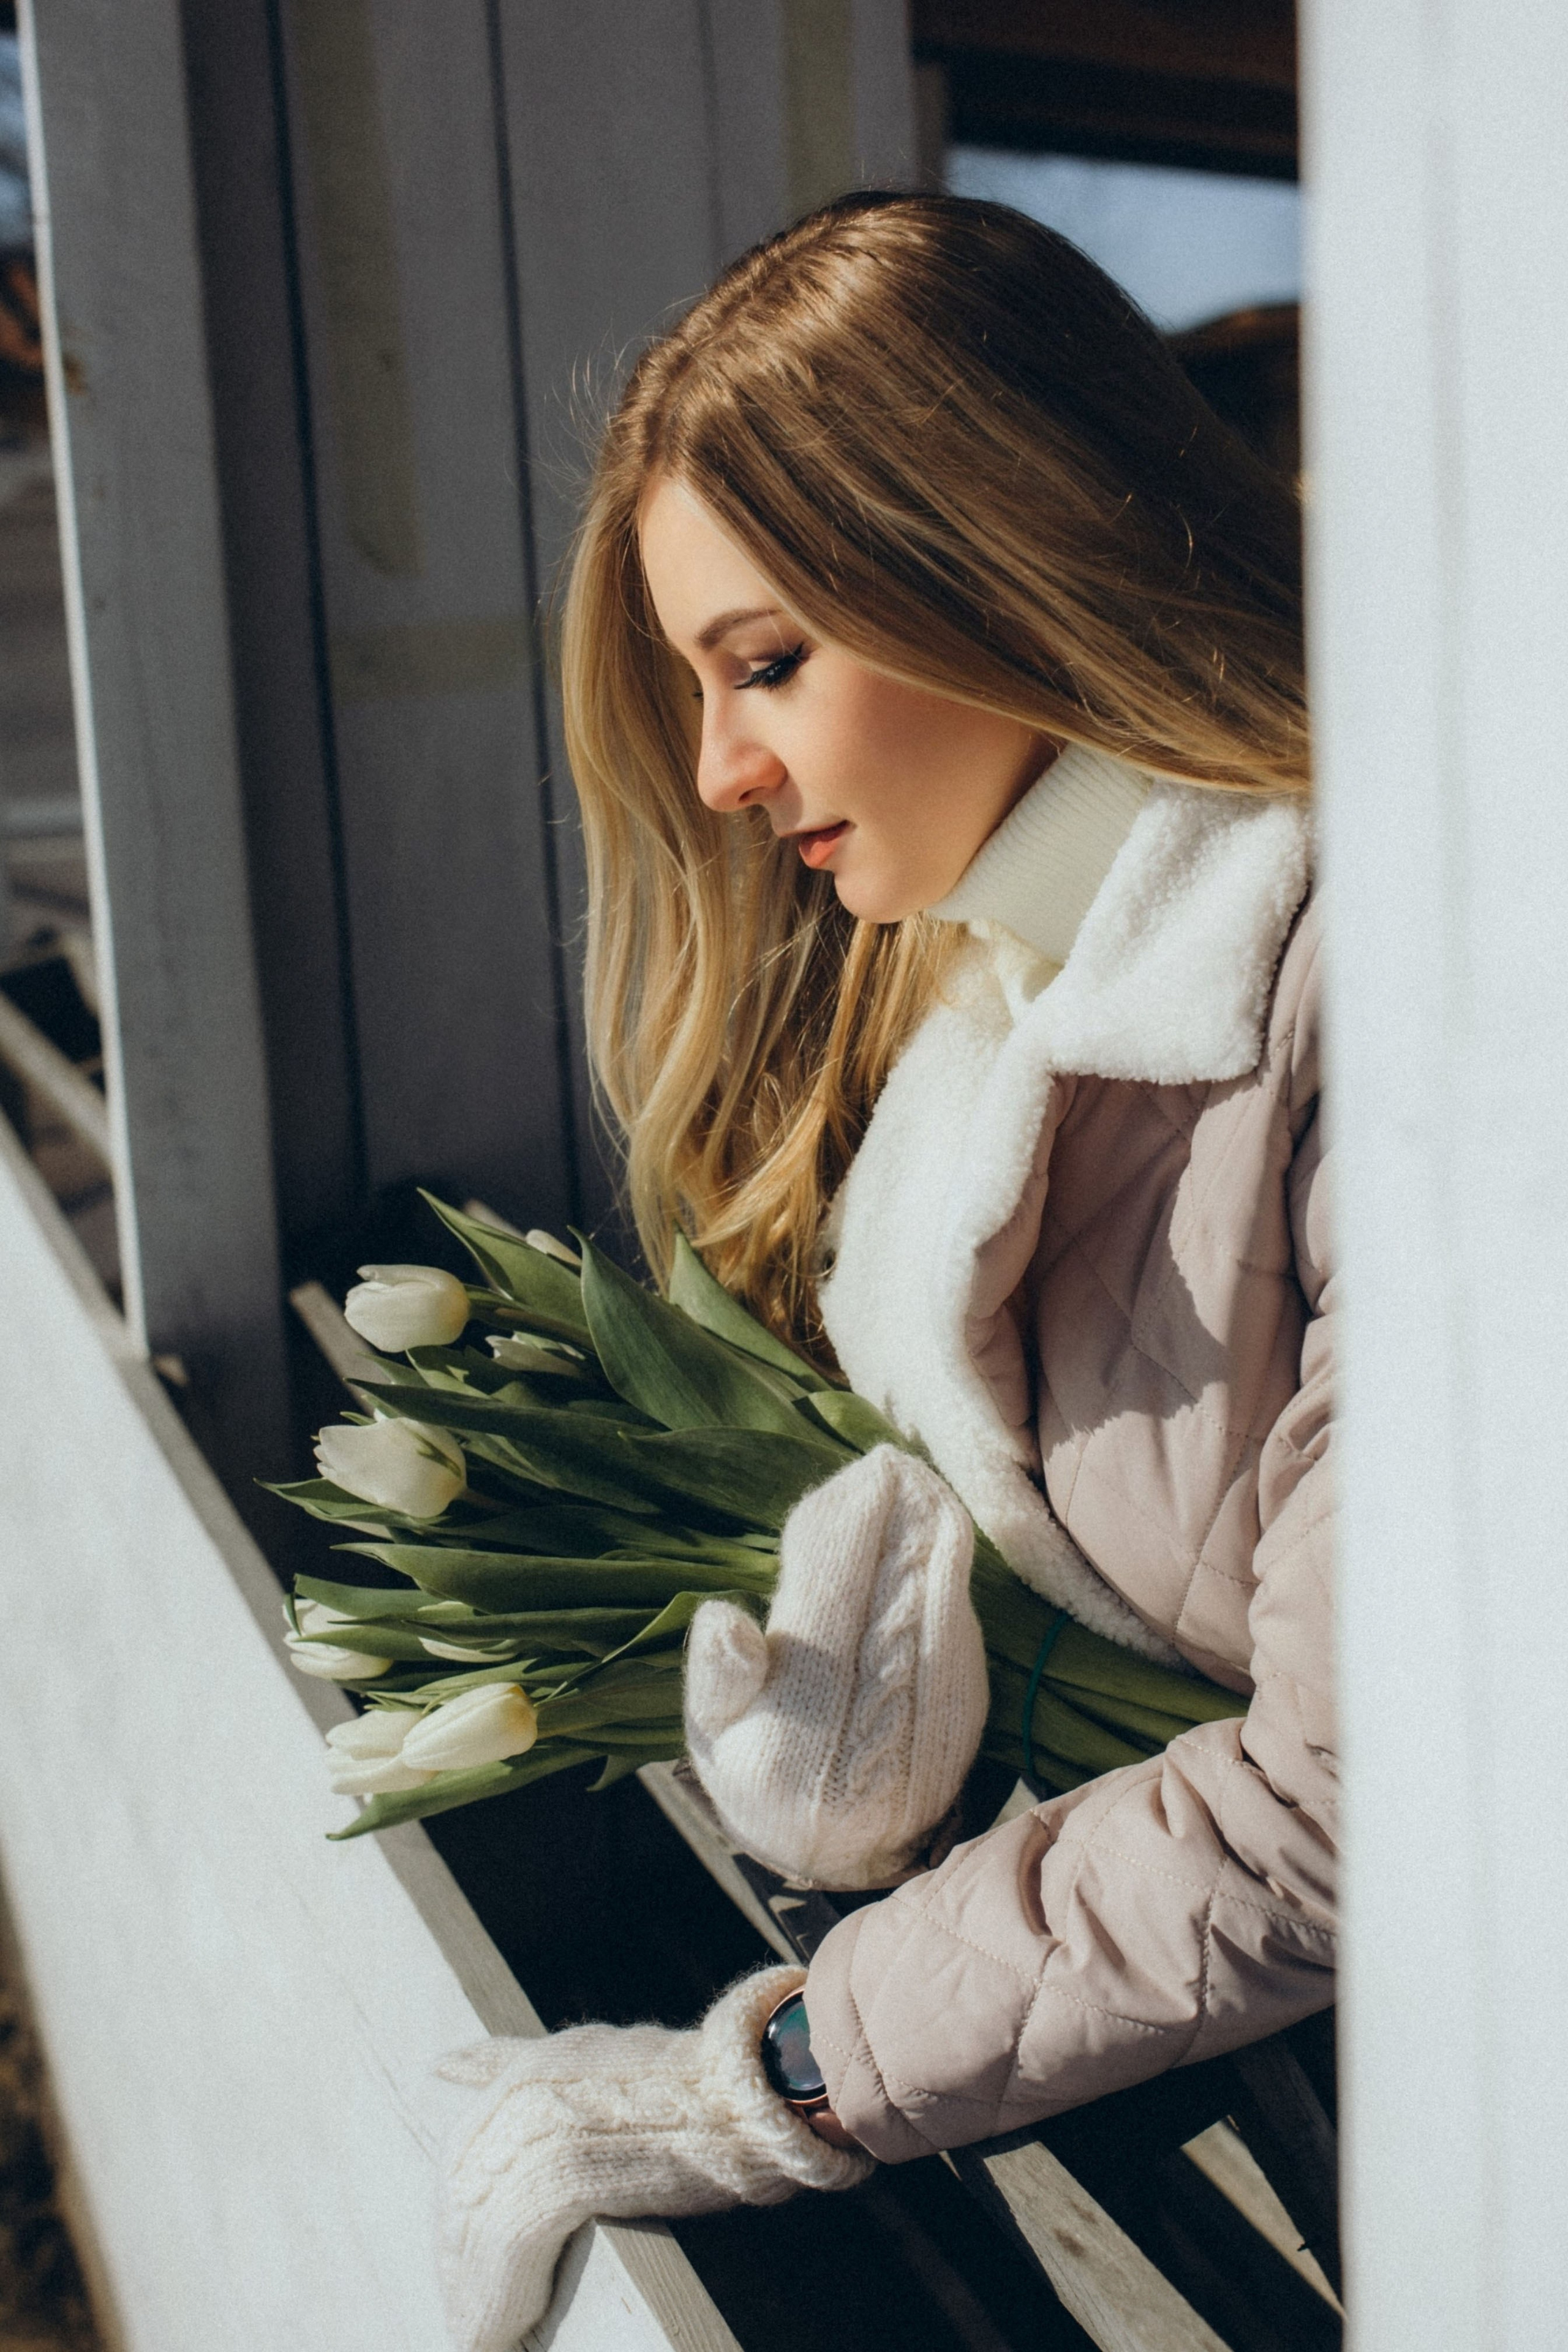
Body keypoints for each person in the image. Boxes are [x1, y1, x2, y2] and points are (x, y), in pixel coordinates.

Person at [436, 190, 1333, 2352]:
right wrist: (943, 1638)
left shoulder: (1385, 1007)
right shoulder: (1013, 1017)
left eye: (766, 663)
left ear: (991, 554)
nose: (727, 773)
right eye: (695, 685)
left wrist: (794, 2074)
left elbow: (1368, 1796)